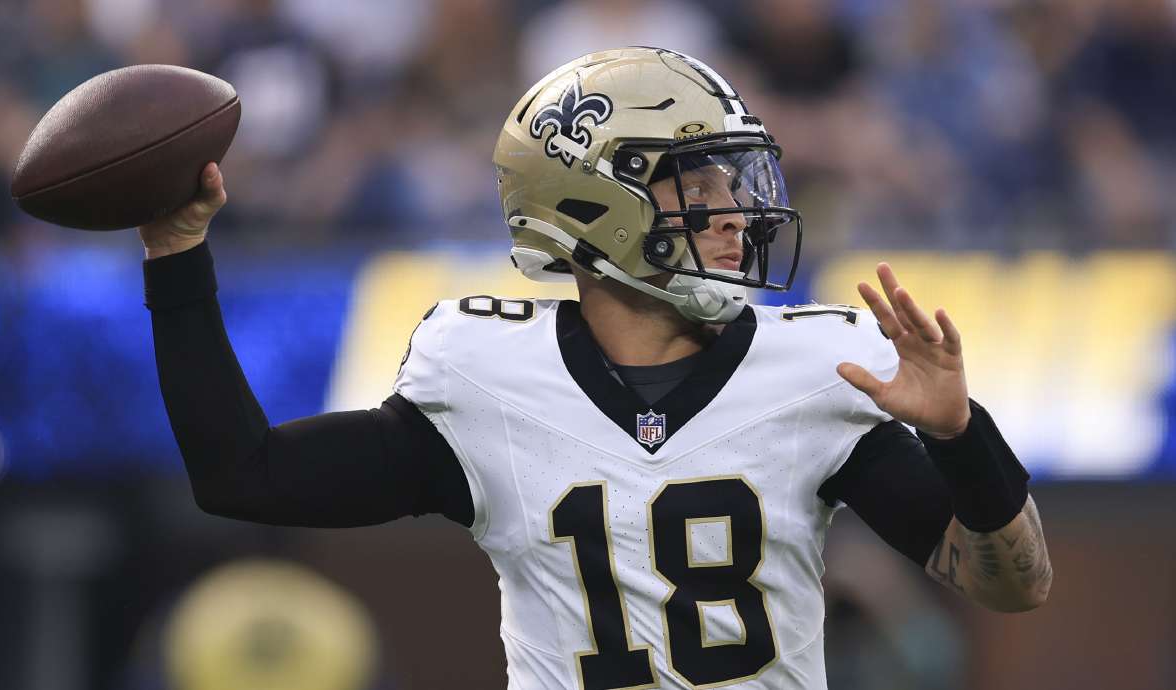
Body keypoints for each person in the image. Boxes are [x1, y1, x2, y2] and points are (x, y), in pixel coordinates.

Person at [139, 47, 1051, 690]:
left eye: (735, 184)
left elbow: (1013, 585)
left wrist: (961, 437)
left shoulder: (815, 369)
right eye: (698, 186)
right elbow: (243, 475)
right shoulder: (485, 378)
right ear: (595, 204)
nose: (736, 215)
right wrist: (177, 256)